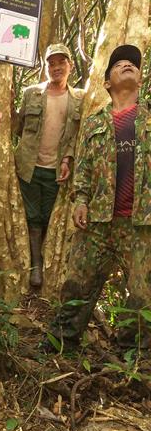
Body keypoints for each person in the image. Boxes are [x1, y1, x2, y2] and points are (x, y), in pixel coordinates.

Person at [51, 44, 151, 349]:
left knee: (141, 293)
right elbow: (82, 168)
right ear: (107, 82)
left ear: (141, 78)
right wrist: (80, 200)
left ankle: (130, 355)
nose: (127, 65)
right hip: (97, 220)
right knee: (77, 284)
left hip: (140, 223)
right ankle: (61, 345)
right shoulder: (95, 122)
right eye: (119, 63)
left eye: (132, 64)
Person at [15, 43, 84, 288]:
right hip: (29, 167)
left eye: (61, 62)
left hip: (57, 170)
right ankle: (35, 266)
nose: (56, 67)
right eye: (51, 63)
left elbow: (76, 134)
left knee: (48, 217)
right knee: (32, 217)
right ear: (45, 67)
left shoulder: (80, 98)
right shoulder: (31, 93)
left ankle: (46, 263)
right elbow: (19, 126)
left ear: (70, 65)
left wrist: (67, 159)